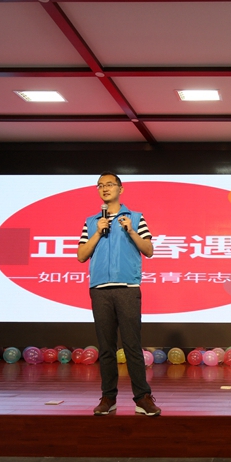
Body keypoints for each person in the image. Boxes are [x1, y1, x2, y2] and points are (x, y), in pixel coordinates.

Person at [77, 172, 160, 416]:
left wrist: (131, 231)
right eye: (100, 185)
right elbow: (81, 255)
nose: (105, 188)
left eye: (110, 184)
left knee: (132, 345)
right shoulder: (92, 221)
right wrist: (97, 232)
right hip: (100, 289)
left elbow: (149, 250)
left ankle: (142, 398)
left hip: (127, 288)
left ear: (120, 189)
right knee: (106, 347)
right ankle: (108, 397)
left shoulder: (135, 218)